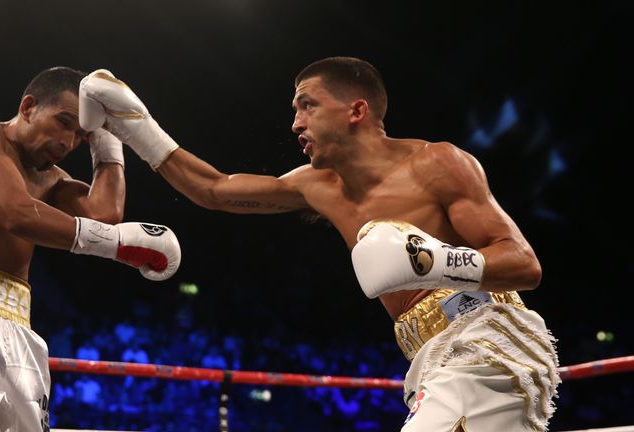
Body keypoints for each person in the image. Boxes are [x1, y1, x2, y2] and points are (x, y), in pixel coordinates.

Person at [79, 57, 561, 431]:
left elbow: (524, 263)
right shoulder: (317, 185)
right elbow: (215, 190)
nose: (295, 123)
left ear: (356, 109)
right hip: (428, 352)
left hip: (487, 332)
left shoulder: (437, 164)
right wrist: (132, 123)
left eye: (307, 104)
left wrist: (431, 261)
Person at [0, 66, 181, 431]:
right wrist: (116, 246)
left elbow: (105, 216)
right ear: (28, 107)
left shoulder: (52, 179)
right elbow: (15, 213)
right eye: (63, 122)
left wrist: (110, 137)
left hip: (17, 326)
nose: (68, 142)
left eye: (80, 135)